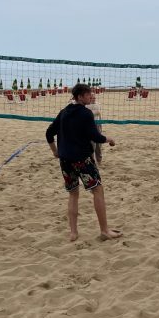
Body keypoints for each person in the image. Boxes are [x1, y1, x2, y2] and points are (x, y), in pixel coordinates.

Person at [45, 83, 122, 242]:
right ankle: (104, 230)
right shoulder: (86, 113)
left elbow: (48, 133)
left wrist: (55, 151)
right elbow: (95, 137)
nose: (91, 96)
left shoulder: (64, 112)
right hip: (82, 160)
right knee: (98, 190)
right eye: (88, 94)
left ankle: (73, 233)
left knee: (73, 194)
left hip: (65, 160)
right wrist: (110, 139)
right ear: (80, 97)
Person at [87, 92, 103, 165]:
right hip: (90, 125)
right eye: (91, 98)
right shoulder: (86, 106)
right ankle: (92, 160)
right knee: (92, 144)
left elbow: (98, 114)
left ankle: (99, 160)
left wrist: (101, 124)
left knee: (99, 144)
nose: (93, 99)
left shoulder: (97, 104)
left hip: (97, 124)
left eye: (94, 98)